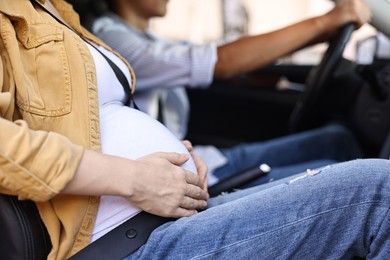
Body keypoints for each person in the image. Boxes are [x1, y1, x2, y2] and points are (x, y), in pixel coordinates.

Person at [3, 1, 390, 260]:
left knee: (346, 160)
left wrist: (177, 156)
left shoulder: (57, 12)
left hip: (167, 214)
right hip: (121, 240)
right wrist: (135, 177)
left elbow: (88, 120)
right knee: (378, 193)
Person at [67, 0, 368, 188]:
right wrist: (325, 22)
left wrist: (255, 76)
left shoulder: (146, 37)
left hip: (206, 158)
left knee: (338, 140)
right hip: (188, 180)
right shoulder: (112, 41)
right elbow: (217, 61)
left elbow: (222, 60)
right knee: (362, 180)